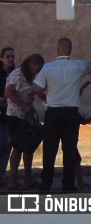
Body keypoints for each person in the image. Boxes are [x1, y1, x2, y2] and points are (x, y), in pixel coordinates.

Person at [33, 38, 90, 193]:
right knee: (69, 149)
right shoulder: (79, 65)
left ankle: (46, 184)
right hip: (71, 113)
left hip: (53, 111)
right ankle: (68, 184)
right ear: (70, 50)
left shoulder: (47, 68)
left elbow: (37, 88)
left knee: (50, 149)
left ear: (57, 49)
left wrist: (46, 98)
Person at [5, 54, 44, 189]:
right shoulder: (17, 74)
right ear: (30, 64)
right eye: (36, 67)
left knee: (28, 147)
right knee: (17, 148)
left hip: (26, 116)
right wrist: (24, 105)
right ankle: (12, 181)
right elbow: (9, 93)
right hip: (15, 115)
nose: (37, 70)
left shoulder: (32, 77)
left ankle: (28, 179)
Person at [0, 47, 16, 187]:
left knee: (7, 146)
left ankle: (2, 175)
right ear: (1, 58)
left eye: (12, 57)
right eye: (7, 57)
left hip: (10, 115)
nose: (10, 59)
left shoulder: (15, 74)